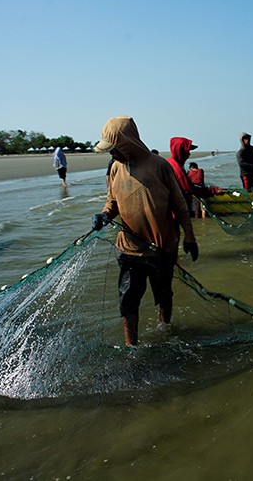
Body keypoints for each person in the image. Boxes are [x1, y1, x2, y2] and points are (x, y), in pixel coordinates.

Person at [91, 116, 199, 347]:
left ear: (127, 143)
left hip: (162, 248)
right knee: (128, 299)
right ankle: (132, 347)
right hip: (129, 248)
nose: (113, 154)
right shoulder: (115, 168)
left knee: (164, 295)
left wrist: (190, 237)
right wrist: (105, 214)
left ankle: (165, 330)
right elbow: (113, 201)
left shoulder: (159, 166)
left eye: (114, 149)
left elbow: (180, 205)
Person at [167, 136, 221, 218]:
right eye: (187, 151)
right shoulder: (178, 170)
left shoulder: (169, 162)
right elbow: (191, 189)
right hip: (172, 213)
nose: (189, 154)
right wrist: (213, 190)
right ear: (181, 151)